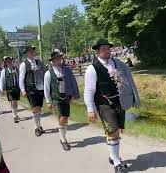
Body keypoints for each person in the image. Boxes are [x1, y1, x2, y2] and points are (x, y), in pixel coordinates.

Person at [84, 39, 140, 173]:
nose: (107, 51)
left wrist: (133, 98)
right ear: (98, 51)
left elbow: (128, 81)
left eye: (108, 48)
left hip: (119, 101)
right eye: (103, 49)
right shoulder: (93, 68)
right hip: (104, 104)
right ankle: (117, 162)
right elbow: (89, 90)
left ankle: (113, 155)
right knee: (113, 131)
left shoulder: (118, 64)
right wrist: (90, 109)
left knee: (117, 131)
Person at [44, 51, 80, 151]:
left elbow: (72, 82)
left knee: (66, 117)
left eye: (59, 58)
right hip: (56, 98)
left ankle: (62, 136)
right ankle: (64, 140)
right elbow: (46, 88)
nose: (58, 60)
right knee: (62, 118)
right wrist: (48, 101)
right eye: (56, 59)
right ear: (52, 61)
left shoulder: (67, 70)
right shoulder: (48, 73)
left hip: (66, 96)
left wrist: (73, 94)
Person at [19, 46, 46, 136]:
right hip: (30, 88)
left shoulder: (38, 62)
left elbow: (44, 72)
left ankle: (39, 125)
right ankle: (36, 127)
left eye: (32, 51)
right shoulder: (24, 64)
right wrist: (23, 90)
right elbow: (21, 78)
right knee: (34, 108)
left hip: (40, 87)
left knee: (39, 108)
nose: (31, 53)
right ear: (26, 53)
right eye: (29, 51)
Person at [0, 56, 21, 123]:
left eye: (10, 61)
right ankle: (14, 116)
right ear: (6, 63)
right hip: (9, 89)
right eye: (7, 62)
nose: (9, 63)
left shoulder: (16, 69)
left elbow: (19, 78)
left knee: (15, 102)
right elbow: (2, 80)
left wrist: (21, 87)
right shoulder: (4, 71)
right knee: (13, 101)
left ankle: (15, 114)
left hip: (16, 88)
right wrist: (2, 89)